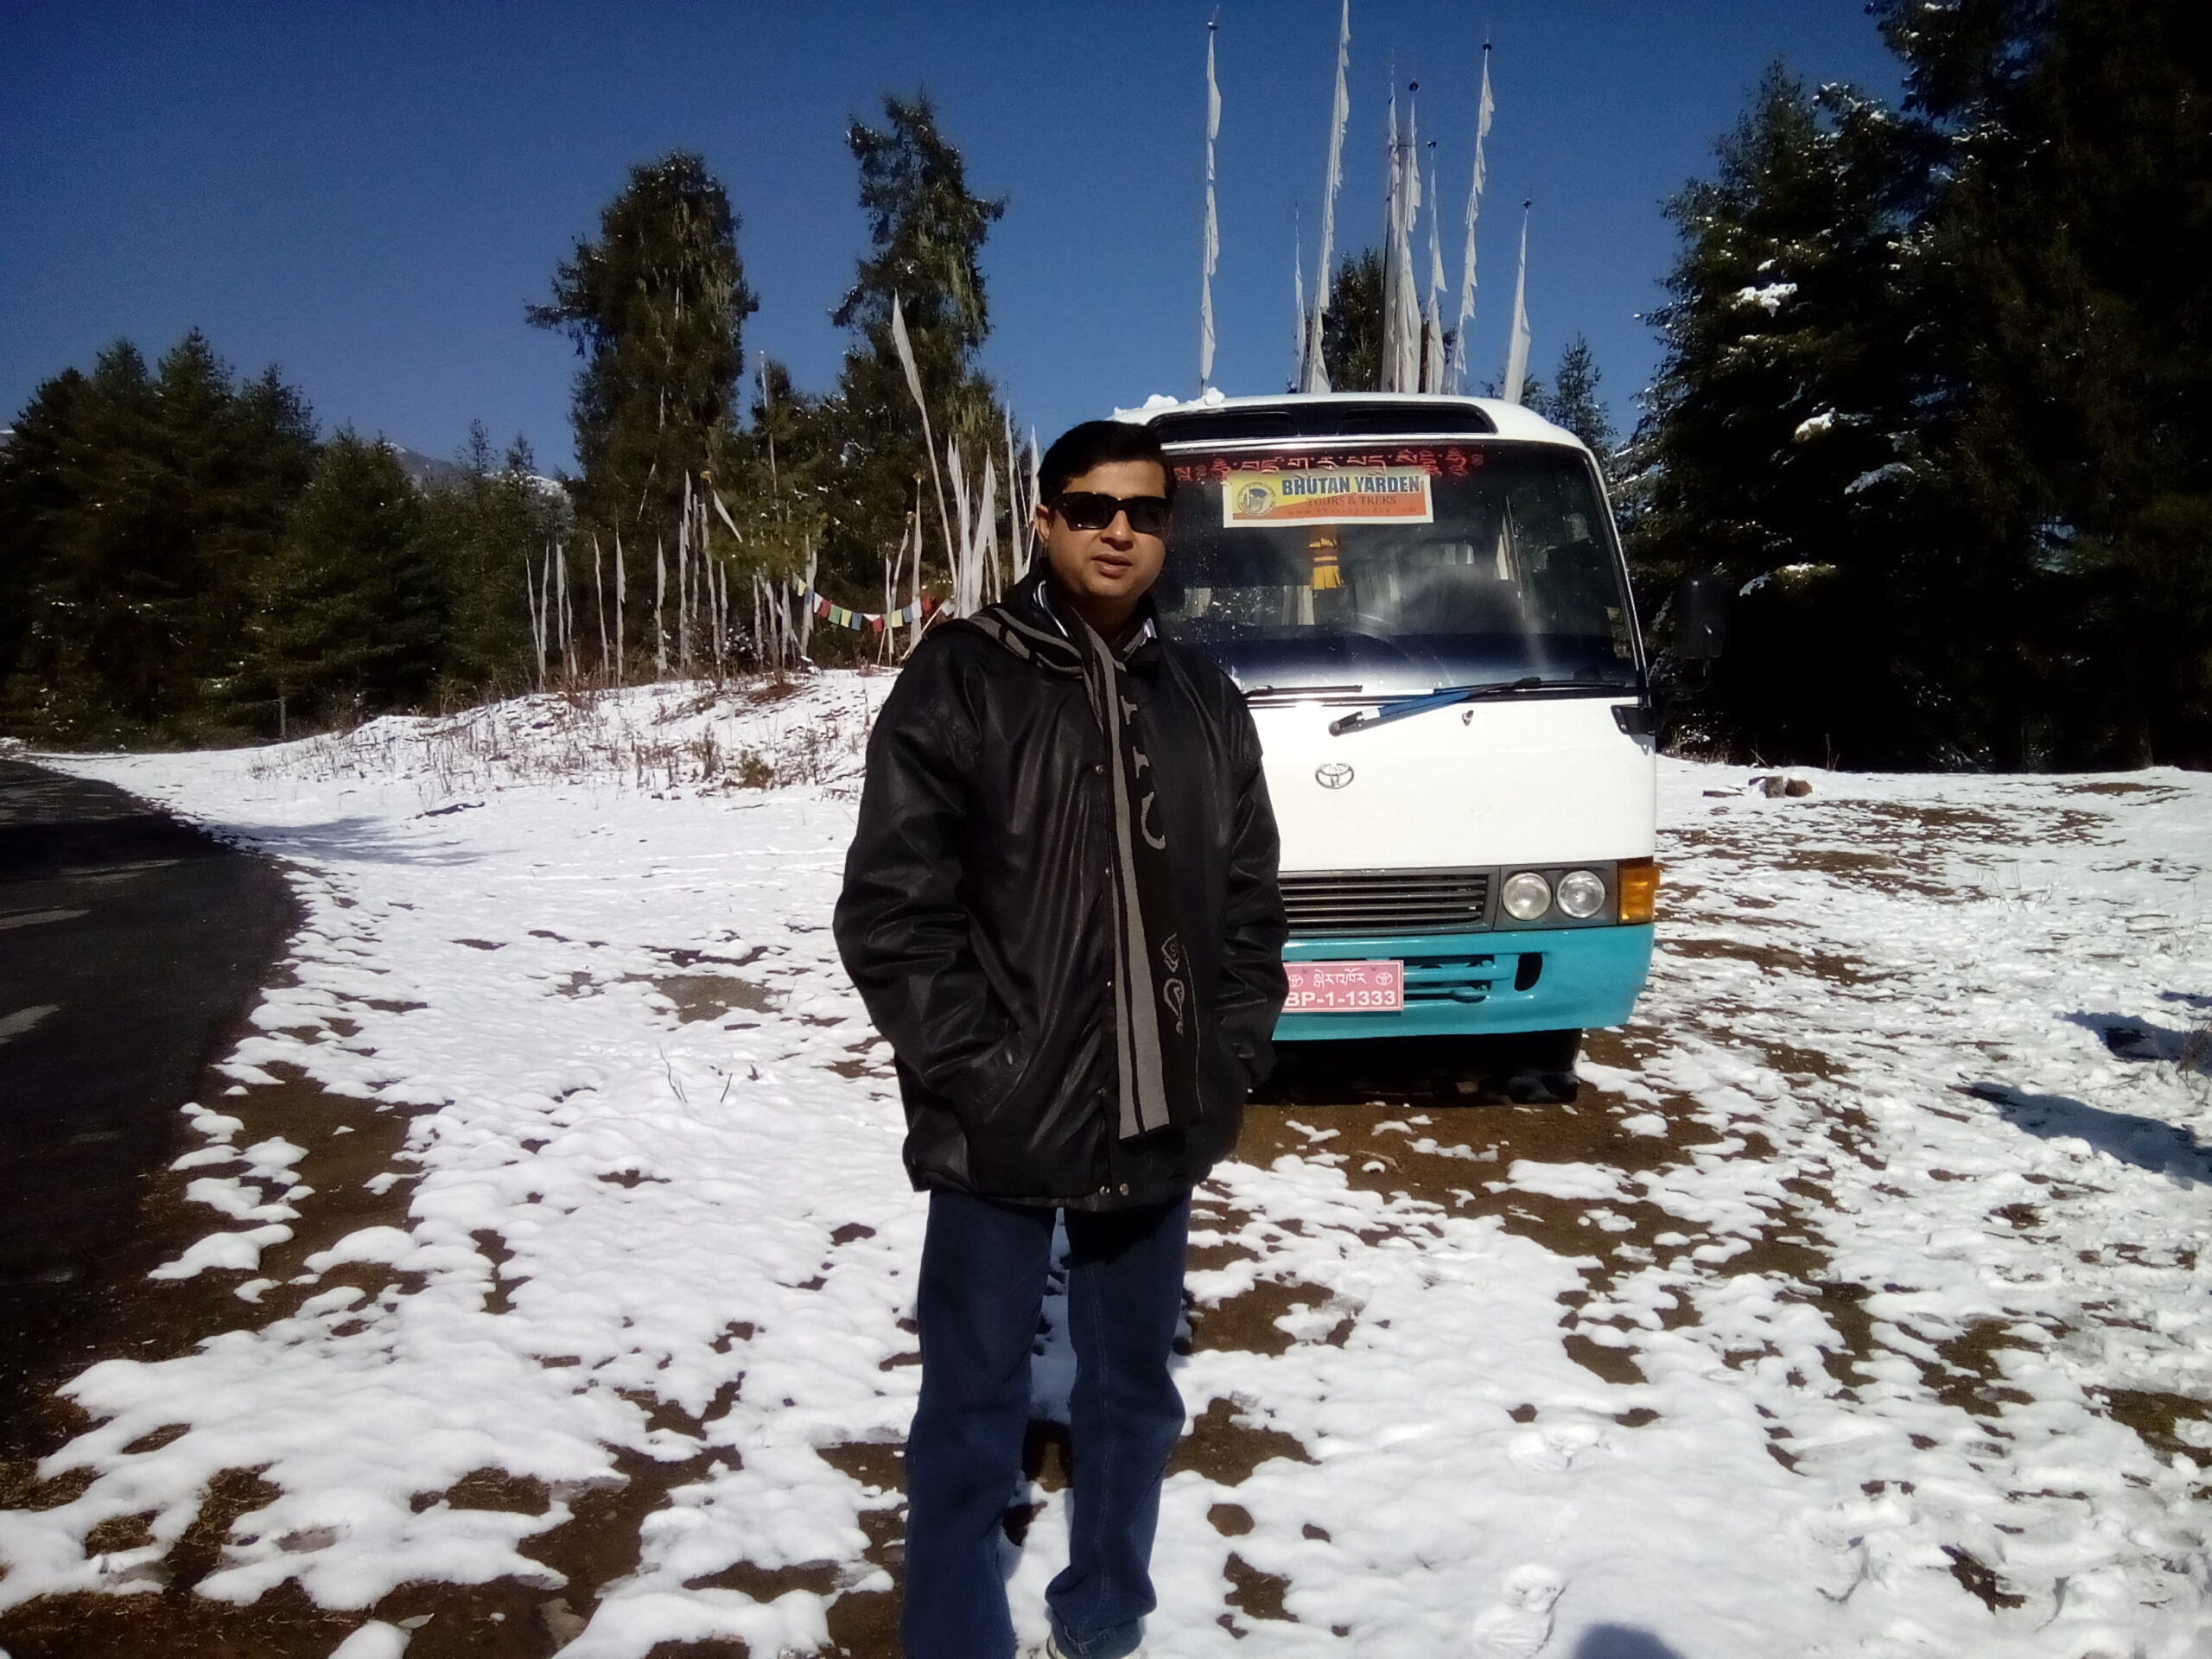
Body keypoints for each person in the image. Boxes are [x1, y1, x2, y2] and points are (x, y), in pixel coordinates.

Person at [835, 418, 1288, 1659]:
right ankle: (953, 1635)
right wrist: (984, 1074)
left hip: (1160, 1114)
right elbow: (891, 909)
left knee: (1132, 1395)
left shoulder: (1202, 697)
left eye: (1141, 511)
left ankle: (1105, 1613)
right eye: (1091, 507)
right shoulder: (962, 676)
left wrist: (1230, 1050)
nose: (1118, 530)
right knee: (972, 1406)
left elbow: (1250, 900)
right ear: (1043, 521)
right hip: (1000, 1124)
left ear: (1167, 531)